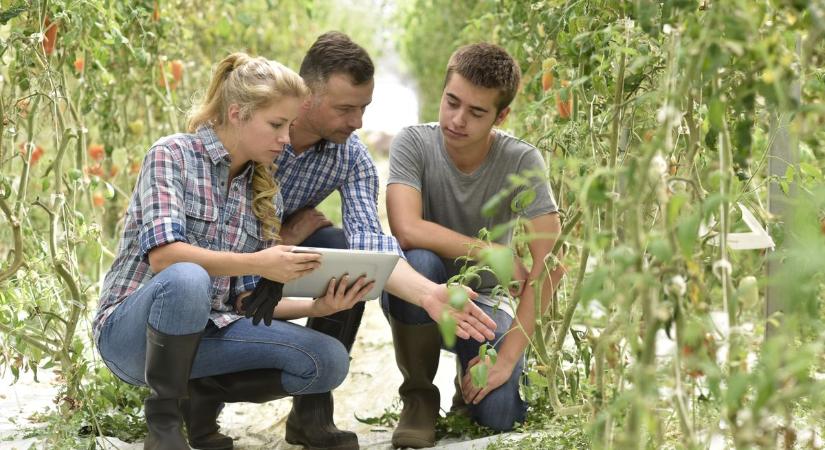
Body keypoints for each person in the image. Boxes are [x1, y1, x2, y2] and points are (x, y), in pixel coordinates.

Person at [92, 53, 374, 450]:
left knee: (327, 360)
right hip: (133, 339)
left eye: (289, 126)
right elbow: (164, 257)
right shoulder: (172, 155)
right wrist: (262, 262)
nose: (286, 139)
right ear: (238, 113)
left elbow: (243, 303)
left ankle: (201, 394)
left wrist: (318, 308)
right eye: (276, 125)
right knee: (188, 276)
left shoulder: (263, 194)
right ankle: (165, 425)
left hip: (206, 337)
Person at [242, 31, 499, 450]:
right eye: (346, 108)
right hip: (230, 259)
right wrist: (281, 237)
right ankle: (190, 400)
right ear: (306, 96)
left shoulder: (351, 156)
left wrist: (430, 293)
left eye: (363, 108)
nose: (357, 122)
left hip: (279, 264)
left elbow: (371, 245)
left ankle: (311, 414)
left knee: (346, 253)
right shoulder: (256, 129)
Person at [382, 43, 566, 448]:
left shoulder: (521, 160)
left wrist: (508, 357)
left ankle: (466, 391)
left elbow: (550, 263)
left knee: (499, 416)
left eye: (476, 112)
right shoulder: (414, 143)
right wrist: (492, 253)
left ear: (501, 116)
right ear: (443, 92)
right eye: (452, 102)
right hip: (422, 296)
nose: (457, 120)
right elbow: (406, 228)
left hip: (483, 302)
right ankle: (418, 397)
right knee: (420, 259)